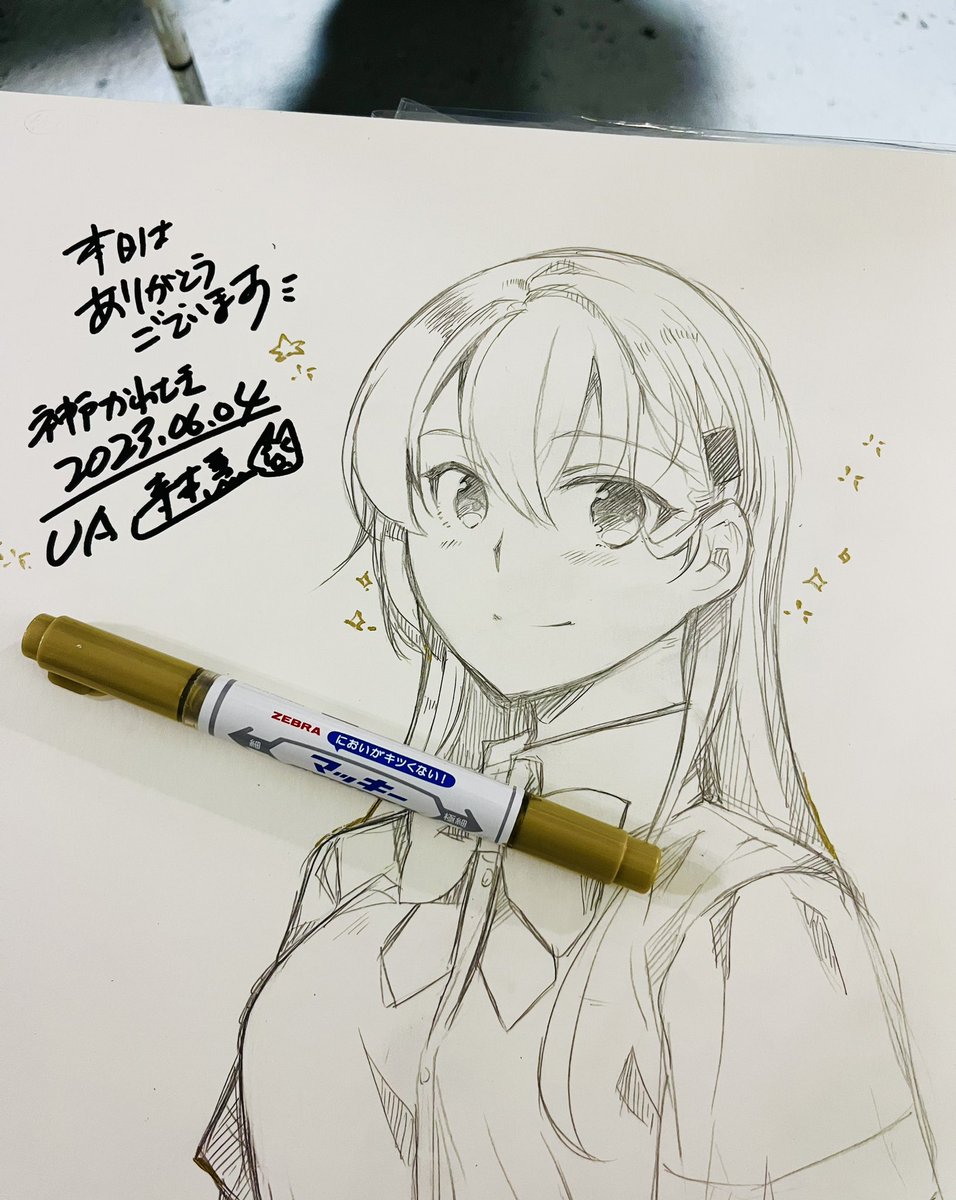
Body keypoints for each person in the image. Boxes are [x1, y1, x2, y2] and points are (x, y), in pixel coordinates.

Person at [197, 250, 940, 1199]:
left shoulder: (757, 913)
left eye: (606, 502)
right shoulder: (358, 871)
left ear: (716, 551)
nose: (505, 552)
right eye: (459, 491)